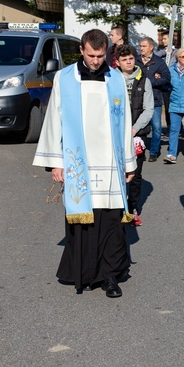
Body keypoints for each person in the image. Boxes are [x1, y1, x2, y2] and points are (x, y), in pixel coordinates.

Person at [33, 29, 137, 298]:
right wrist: (55, 162)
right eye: (91, 55)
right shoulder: (65, 78)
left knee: (112, 221)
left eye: (100, 56)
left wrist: (128, 162)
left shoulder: (115, 78)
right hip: (78, 161)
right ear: (81, 50)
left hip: (110, 161)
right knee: (84, 223)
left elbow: (124, 121)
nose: (95, 61)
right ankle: (85, 274)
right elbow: (54, 120)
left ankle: (110, 276)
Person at [116, 45, 153, 227]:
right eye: (124, 60)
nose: (128, 62)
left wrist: (134, 129)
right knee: (117, 172)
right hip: (116, 133)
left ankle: (133, 209)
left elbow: (149, 109)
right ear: (118, 62)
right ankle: (117, 209)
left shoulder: (144, 80)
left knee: (136, 173)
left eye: (131, 58)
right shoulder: (112, 79)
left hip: (138, 134)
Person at [138, 37, 171, 162]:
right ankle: (139, 150)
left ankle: (154, 151)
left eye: (144, 46)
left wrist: (153, 81)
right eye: (140, 46)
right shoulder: (136, 60)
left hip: (155, 100)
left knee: (156, 128)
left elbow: (167, 78)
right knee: (140, 127)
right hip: (139, 100)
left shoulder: (158, 62)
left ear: (151, 47)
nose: (141, 48)